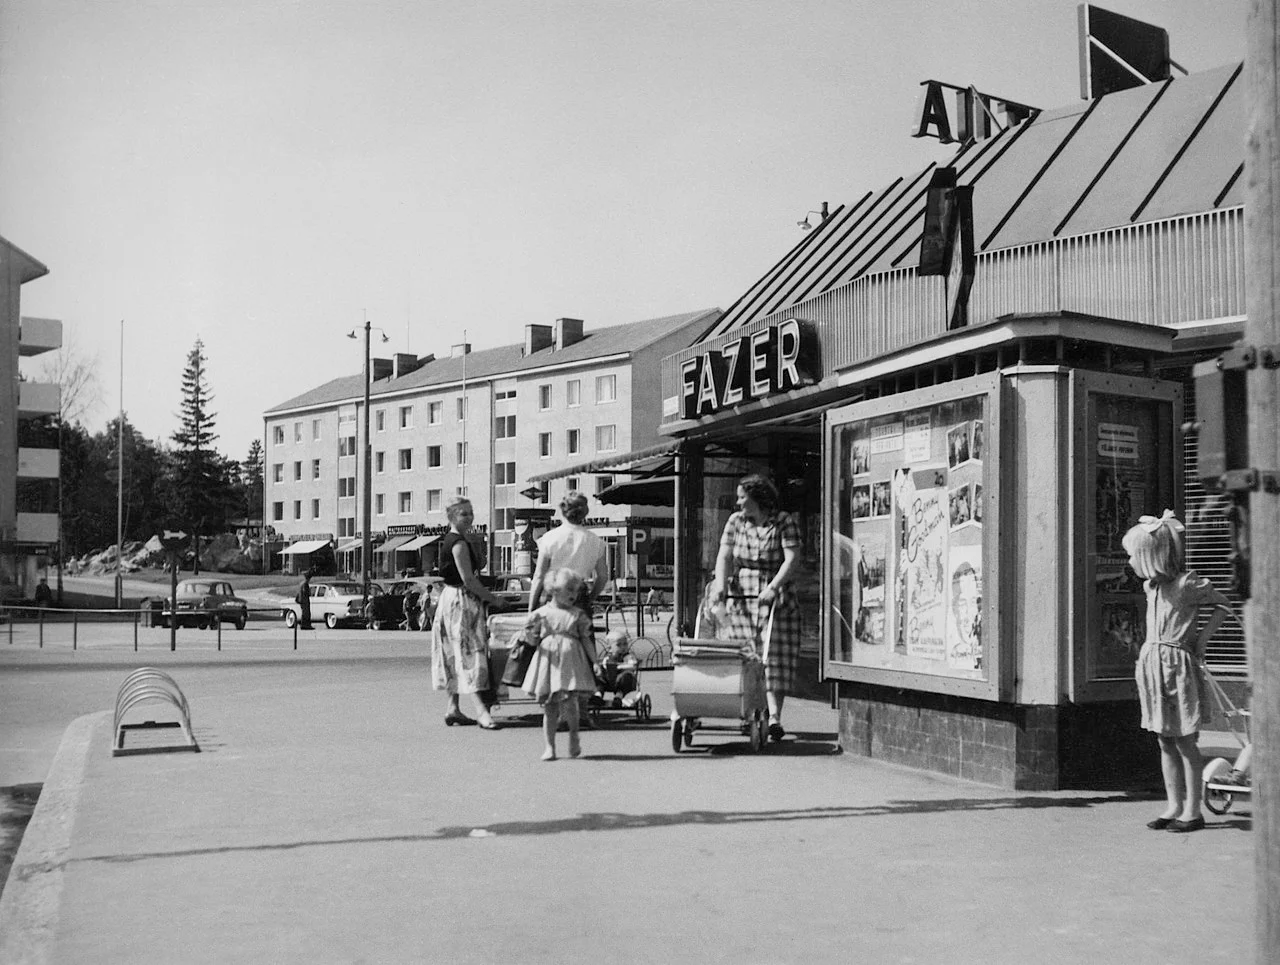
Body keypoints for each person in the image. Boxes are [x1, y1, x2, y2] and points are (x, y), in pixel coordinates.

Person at [1123, 509, 1232, 833]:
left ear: (1151, 556)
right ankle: (1173, 804)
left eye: (1133, 556)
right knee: (1164, 740)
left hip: (1177, 668)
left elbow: (1223, 604)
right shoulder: (1151, 587)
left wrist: (1201, 640)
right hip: (1154, 667)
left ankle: (1192, 810)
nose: (1130, 562)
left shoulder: (1186, 584)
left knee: (1185, 741)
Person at [710, 473, 801, 742]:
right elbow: (724, 556)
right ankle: (747, 711)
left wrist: (773, 587)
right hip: (742, 595)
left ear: (757, 497)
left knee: (774, 655)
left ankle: (774, 717)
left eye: (742, 497)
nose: (738, 503)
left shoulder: (784, 521)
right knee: (745, 655)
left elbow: (792, 558)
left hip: (775, 592)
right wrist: (720, 585)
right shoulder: (735, 522)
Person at [432, 496, 507, 730]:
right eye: (464, 513)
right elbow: (469, 579)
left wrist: (476, 544)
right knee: (470, 653)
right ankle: (482, 711)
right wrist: (493, 599)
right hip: (461, 600)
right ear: (452, 517)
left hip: (450, 599)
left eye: (471, 512)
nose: (469, 516)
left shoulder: (460, 540)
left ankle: (453, 707)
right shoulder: (458, 543)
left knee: (454, 653)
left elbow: (478, 566)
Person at [520, 568, 597, 760]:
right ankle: (549, 746)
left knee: (570, 703)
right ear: (554, 590)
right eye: (568, 590)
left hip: (571, 660)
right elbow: (531, 640)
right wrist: (529, 631)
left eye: (575, 590)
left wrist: (595, 661)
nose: (573, 594)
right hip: (548, 661)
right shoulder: (542, 614)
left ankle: (573, 736)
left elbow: (586, 639)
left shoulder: (577, 614)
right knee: (549, 706)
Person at [528, 491, 609, 613]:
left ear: (563, 510)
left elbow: (539, 576)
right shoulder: (596, 541)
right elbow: (602, 577)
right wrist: (590, 598)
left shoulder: (549, 538)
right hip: (579, 596)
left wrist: (531, 609)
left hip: (554, 595)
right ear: (585, 512)